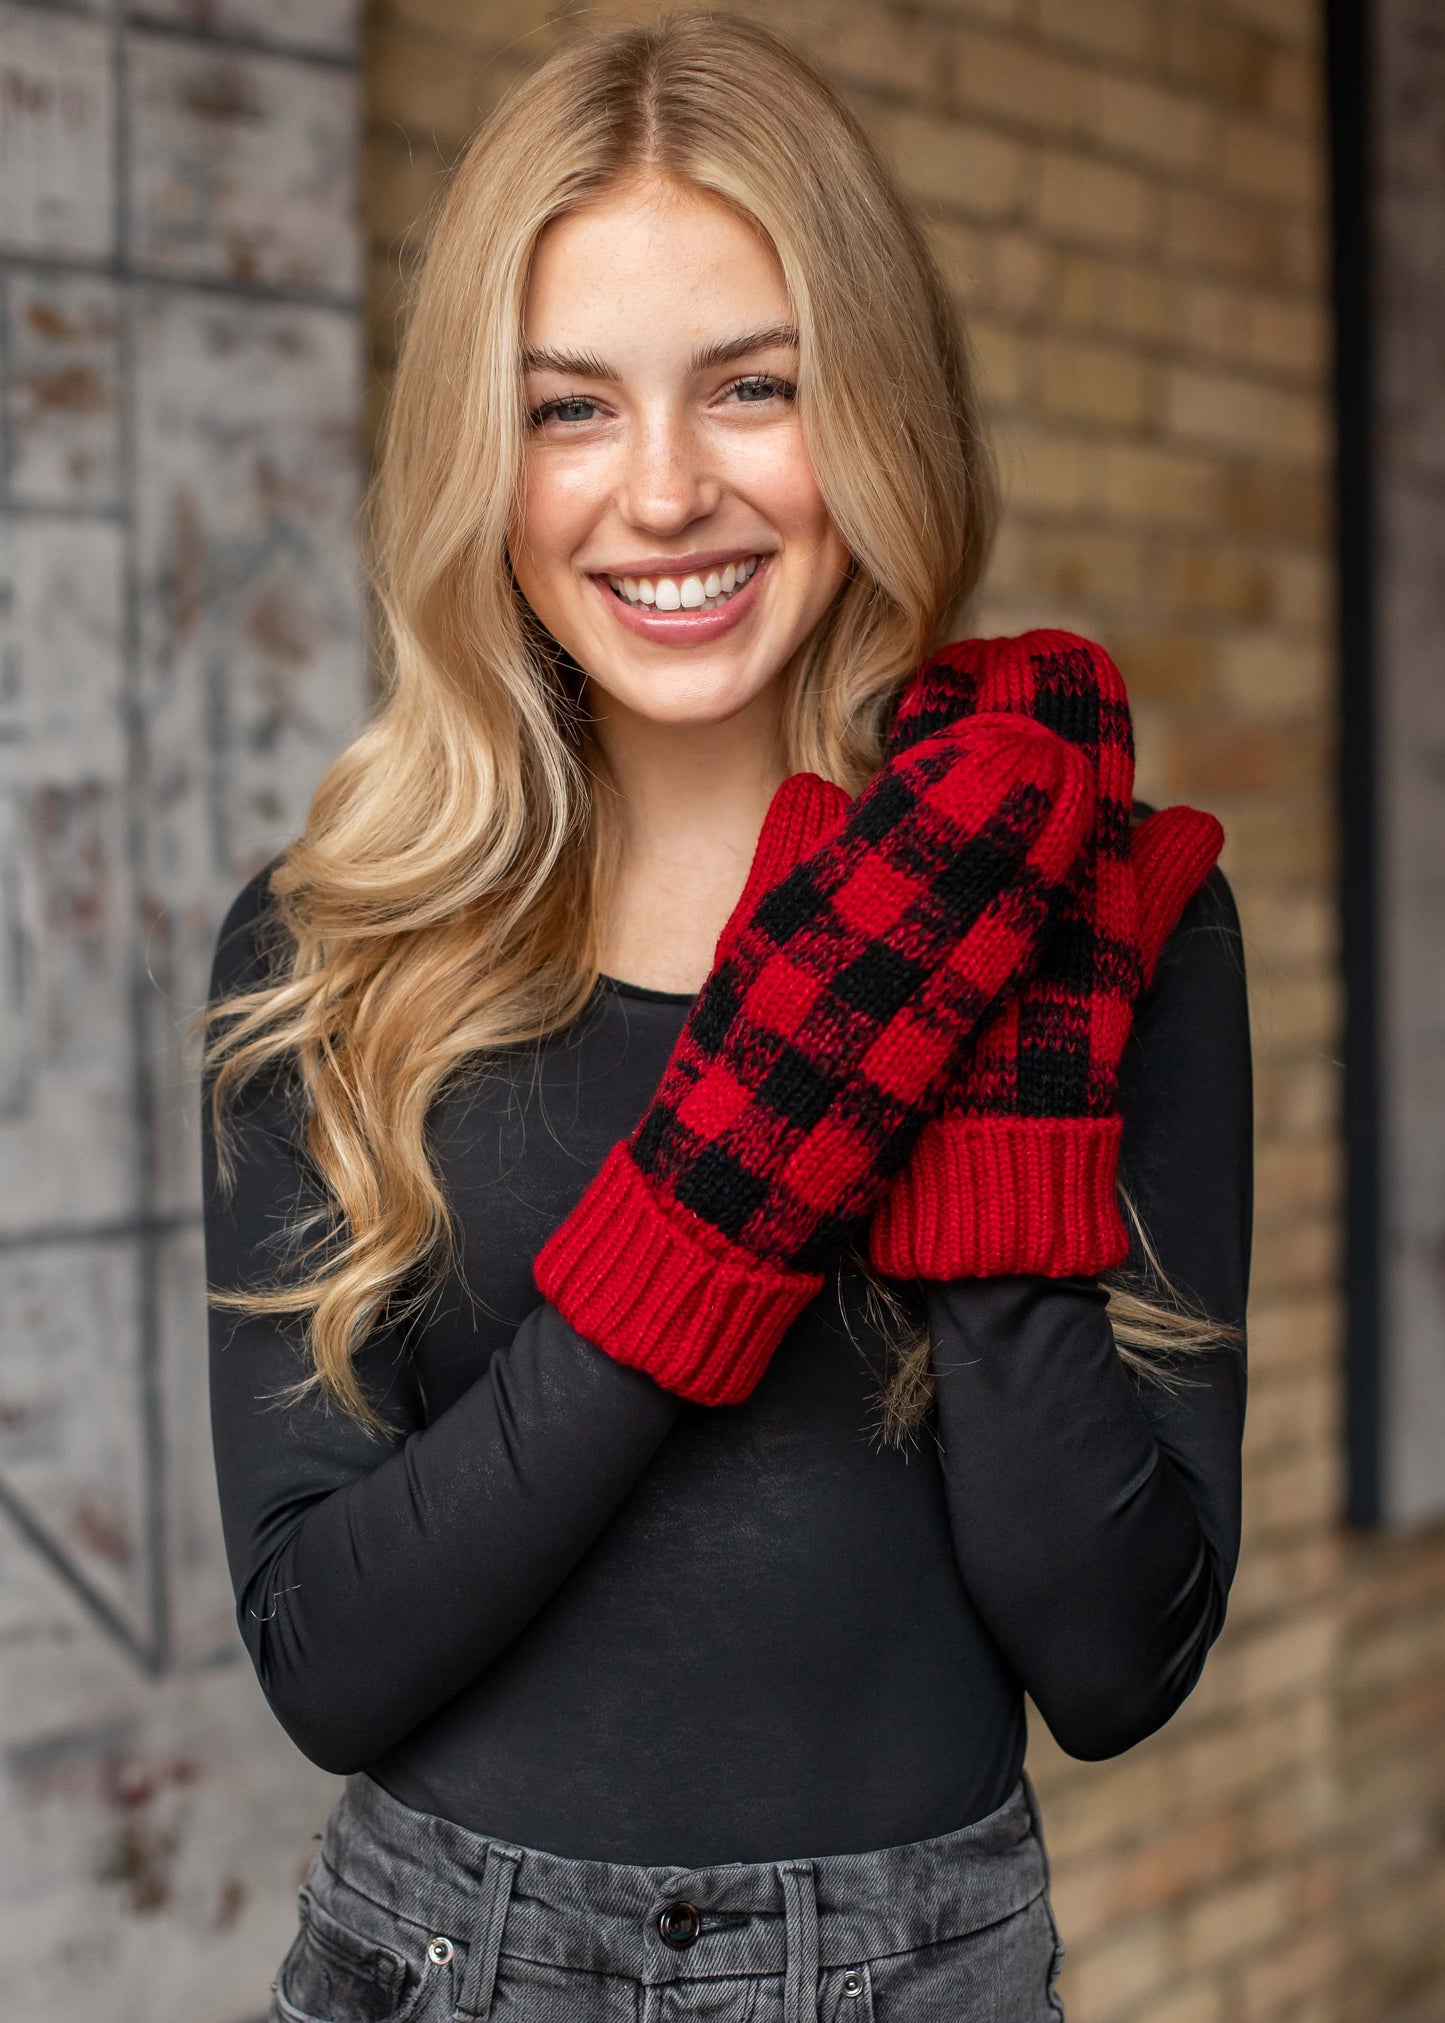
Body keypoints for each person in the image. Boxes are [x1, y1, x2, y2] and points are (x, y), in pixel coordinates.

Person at [198, 14, 1251, 2022]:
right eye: (569, 409)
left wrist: (976, 1039)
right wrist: (720, 1198)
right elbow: (323, 1662)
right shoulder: (336, 945)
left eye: (752, 386)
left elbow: (1117, 1665)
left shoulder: (1111, 925)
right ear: (477, 459)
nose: (663, 490)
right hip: (441, 1968)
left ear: (878, 406)